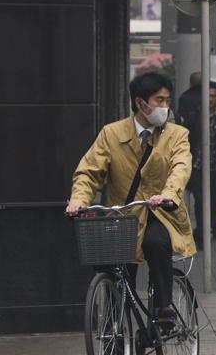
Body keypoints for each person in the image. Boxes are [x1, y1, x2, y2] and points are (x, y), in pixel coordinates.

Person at [67, 72, 196, 325]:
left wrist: (168, 195)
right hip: (123, 214)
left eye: (167, 100)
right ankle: (113, 334)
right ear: (140, 103)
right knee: (114, 272)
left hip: (161, 212)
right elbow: (89, 171)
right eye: (159, 100)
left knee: (156, 242)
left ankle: (163, 308)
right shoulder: (111, 134)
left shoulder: (176, 135)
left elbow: (181, 167)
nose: (165, 106)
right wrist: (78, 200)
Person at [186, 81, 216, 243]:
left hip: (215, 166)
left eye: (213, 96)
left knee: (212, 201)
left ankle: (205, 231)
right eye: (208, 96)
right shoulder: (194, 116)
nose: (210, 99)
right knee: (200, 200)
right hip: (197, 166)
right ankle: (202, 234)